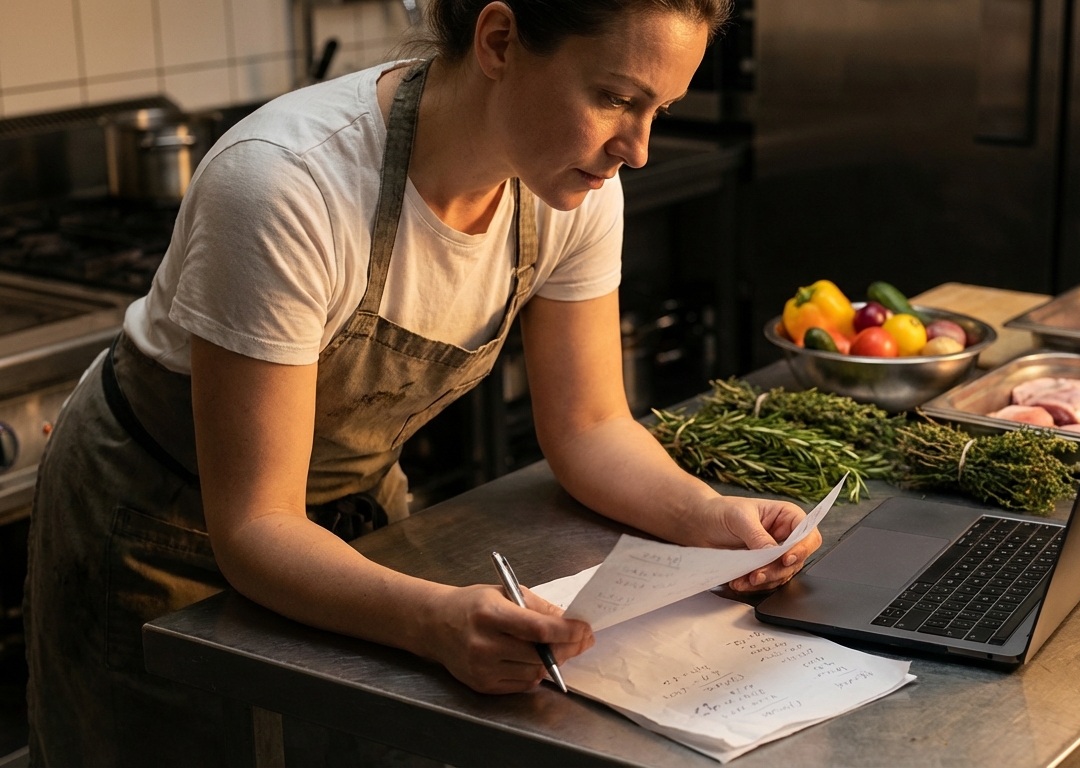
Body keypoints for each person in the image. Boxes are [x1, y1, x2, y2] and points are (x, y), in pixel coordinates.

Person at [23, 1, 822, 764]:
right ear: (501, 42)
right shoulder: (285, 187)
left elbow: (589, 428)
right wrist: (434, 618)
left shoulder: (571, 190)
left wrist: (710, 516)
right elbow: (259, 526)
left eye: (661, 110)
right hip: (159, 521)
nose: (637, 149)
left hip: (351, 520)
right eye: (615, 97)